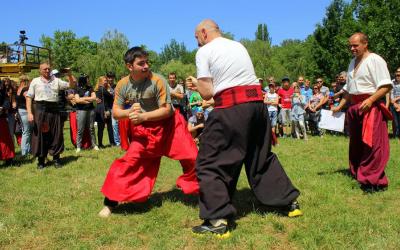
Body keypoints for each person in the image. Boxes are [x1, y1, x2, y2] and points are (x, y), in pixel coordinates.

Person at [188, 19, 302, 237]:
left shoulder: (205, 51)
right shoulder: (238, 45)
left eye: (196, 38)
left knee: (209, 161)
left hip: (232, 109)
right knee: (259, 156)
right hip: (257, 108)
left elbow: (207, 93)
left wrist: (196, 82)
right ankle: (289, 203)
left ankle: (217, 219)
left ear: (203, 32)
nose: (197, 42)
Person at [99, 47, 199, 218]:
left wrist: (143, 116)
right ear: (129, 66)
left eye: (147, 62)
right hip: (145, 131)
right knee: (129, 162)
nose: (146, 66)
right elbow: (116, 112)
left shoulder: (157, 80)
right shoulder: (123, 85)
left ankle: (203, 193)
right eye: (141, 63)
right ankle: (110, 203)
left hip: (170, 127)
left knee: (193, 157)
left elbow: (167, 110)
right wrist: (129, 112)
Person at [332, 32, 393, 192]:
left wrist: (372, 100)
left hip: (370, 106)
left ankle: (372, 180)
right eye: (350, 46)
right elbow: (349, 91)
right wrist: (340, 106)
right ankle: (358, 171)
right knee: (356, 144)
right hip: (354, 108)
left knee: (372, 144)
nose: (352, 48)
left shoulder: (375, 60)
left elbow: (386, 86)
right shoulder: (352, 63)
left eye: (355, 45)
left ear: (365, 44)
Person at [26, 62, 76, 169]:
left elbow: (71, 85)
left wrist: (70, 74)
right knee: (41, 136)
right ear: (40, 70)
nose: (47, 71)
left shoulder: (56, 80)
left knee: (56, 134)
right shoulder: (35, 81)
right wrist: (30, 113)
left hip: (54, 110)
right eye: (45, 69)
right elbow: (29, 97)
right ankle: (41, 160)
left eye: (49, 69)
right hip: (40, 110)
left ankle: (56, 159)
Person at [74, 74, 99, 153]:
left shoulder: (90, 88)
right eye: (85, 79)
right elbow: (77, 100)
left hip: (90, 110)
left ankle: (94, 145)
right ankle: (78, 146)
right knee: (80, 129)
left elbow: (94, 98)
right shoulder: (77, 89)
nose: (86, 80)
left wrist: (83, 99)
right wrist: (88, 99)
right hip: (81, 110)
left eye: (87, 79)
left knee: (91, 128)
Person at [95, 76, 115, 148]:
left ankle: (100, 143)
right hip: (104, 109)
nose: (106, 82)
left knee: (101, 127)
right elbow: (111, 96)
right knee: (108, 127)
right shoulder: (102, 89)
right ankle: (111, 142)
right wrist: (109, 88)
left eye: (106, 80)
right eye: (104, 81)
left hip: (101, 108)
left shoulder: (98, 89)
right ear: (100, 81)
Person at [16, 75, 32, 157]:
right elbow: (27, 98)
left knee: (26, 131)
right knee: (26, 132)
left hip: (20, 111)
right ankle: (24, 152)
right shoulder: (26, 89)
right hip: (25, 111)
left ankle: (28, 150)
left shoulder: (18, 89)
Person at [0, 79, 15, 166]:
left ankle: (9, 158)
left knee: (6, 139)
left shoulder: (1, 86)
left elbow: (6, 100)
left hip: (1, 117)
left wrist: (3, 107)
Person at [106, 72, 121, 147]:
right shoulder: (104, 86)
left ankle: (118, 142)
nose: (110, 79)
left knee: (116, 125)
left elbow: (117, 96)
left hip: (116, 107)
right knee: (110, 126)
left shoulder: (116, 86)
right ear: (107, 78)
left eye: (112, 77)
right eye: (109, 77)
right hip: (107, 108)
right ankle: (113, 142)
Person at [390, 68, 400, 140]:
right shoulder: (392, 82)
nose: (397, 75)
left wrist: (396, 100)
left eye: (399, 74)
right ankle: (395, 135)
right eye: (397, 73)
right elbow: (391, 93)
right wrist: (394, 103)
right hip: (394, 104)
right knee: (395, 121)